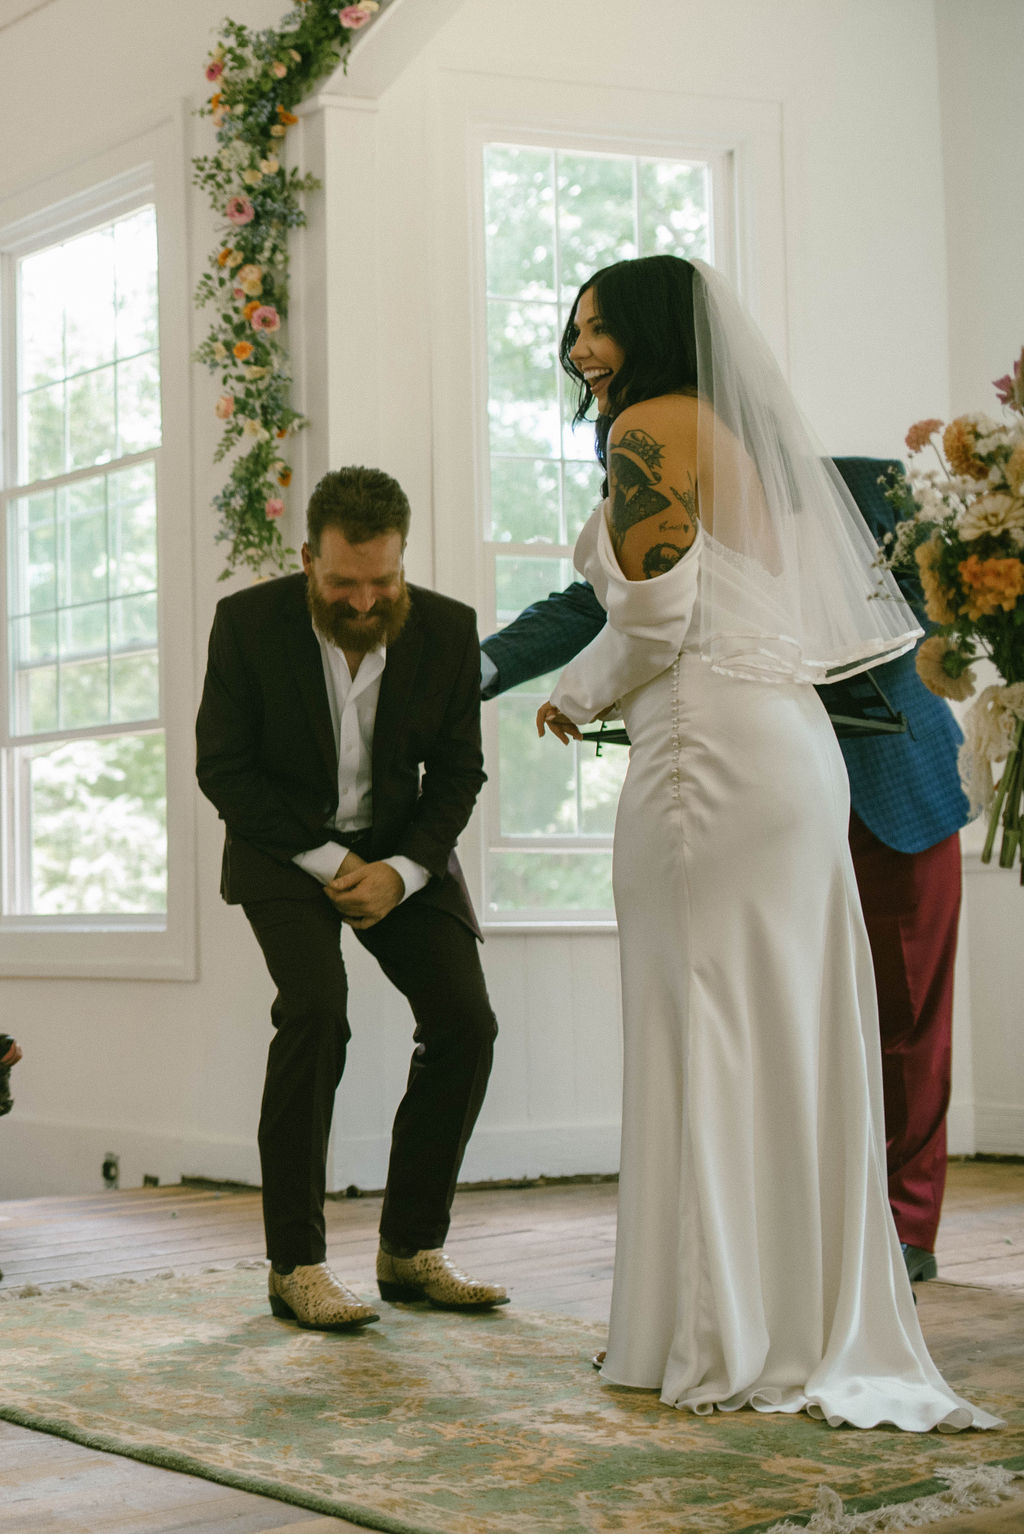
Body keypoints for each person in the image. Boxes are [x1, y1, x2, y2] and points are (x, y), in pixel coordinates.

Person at [532, 254, 997, 1429]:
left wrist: (576, 694)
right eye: (574, 330)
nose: (580, 350)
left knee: (703, 1019)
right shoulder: (740, 444)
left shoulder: (647, 428)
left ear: (645, 332)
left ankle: (721, 1329)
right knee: (776, 1024)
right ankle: (791, 1309)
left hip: (705, 755)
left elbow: (655, 616)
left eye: (597, 328)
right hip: (782, 745)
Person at [482, 456, 967, 1285]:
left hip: (894, 786)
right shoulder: (666, 502)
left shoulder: (870, 486)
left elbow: (940, 612)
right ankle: (789, 1220)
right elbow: (595, 606)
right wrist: (476, 669)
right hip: (755, 795)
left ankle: (904, 1225)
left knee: (905, 1012)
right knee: (769, 1011)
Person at [196, 466, 507, 1332]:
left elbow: (457, 773)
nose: (365, 602)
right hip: (283, 847)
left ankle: (410, 1252)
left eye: (383, 581)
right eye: (343, 583)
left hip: (400, 853)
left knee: (464, 1022)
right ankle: (295, 1265)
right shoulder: (247, 625)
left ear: (403, 562)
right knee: (316, 1011)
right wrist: (331, 861)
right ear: (307, 562)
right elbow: (223, 767)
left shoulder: (447, 631)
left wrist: (404, 870)